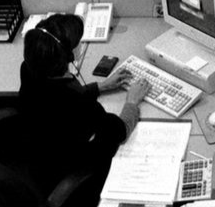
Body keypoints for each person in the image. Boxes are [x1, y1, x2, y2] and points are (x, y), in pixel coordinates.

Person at [19, 14, 149, 205]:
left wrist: (100, 87)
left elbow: (55, 96)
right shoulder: (76, 103)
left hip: (40, 158)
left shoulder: (29, 70)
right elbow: (117, 130)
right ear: (69, 56)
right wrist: (131, 102)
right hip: (70, 178)